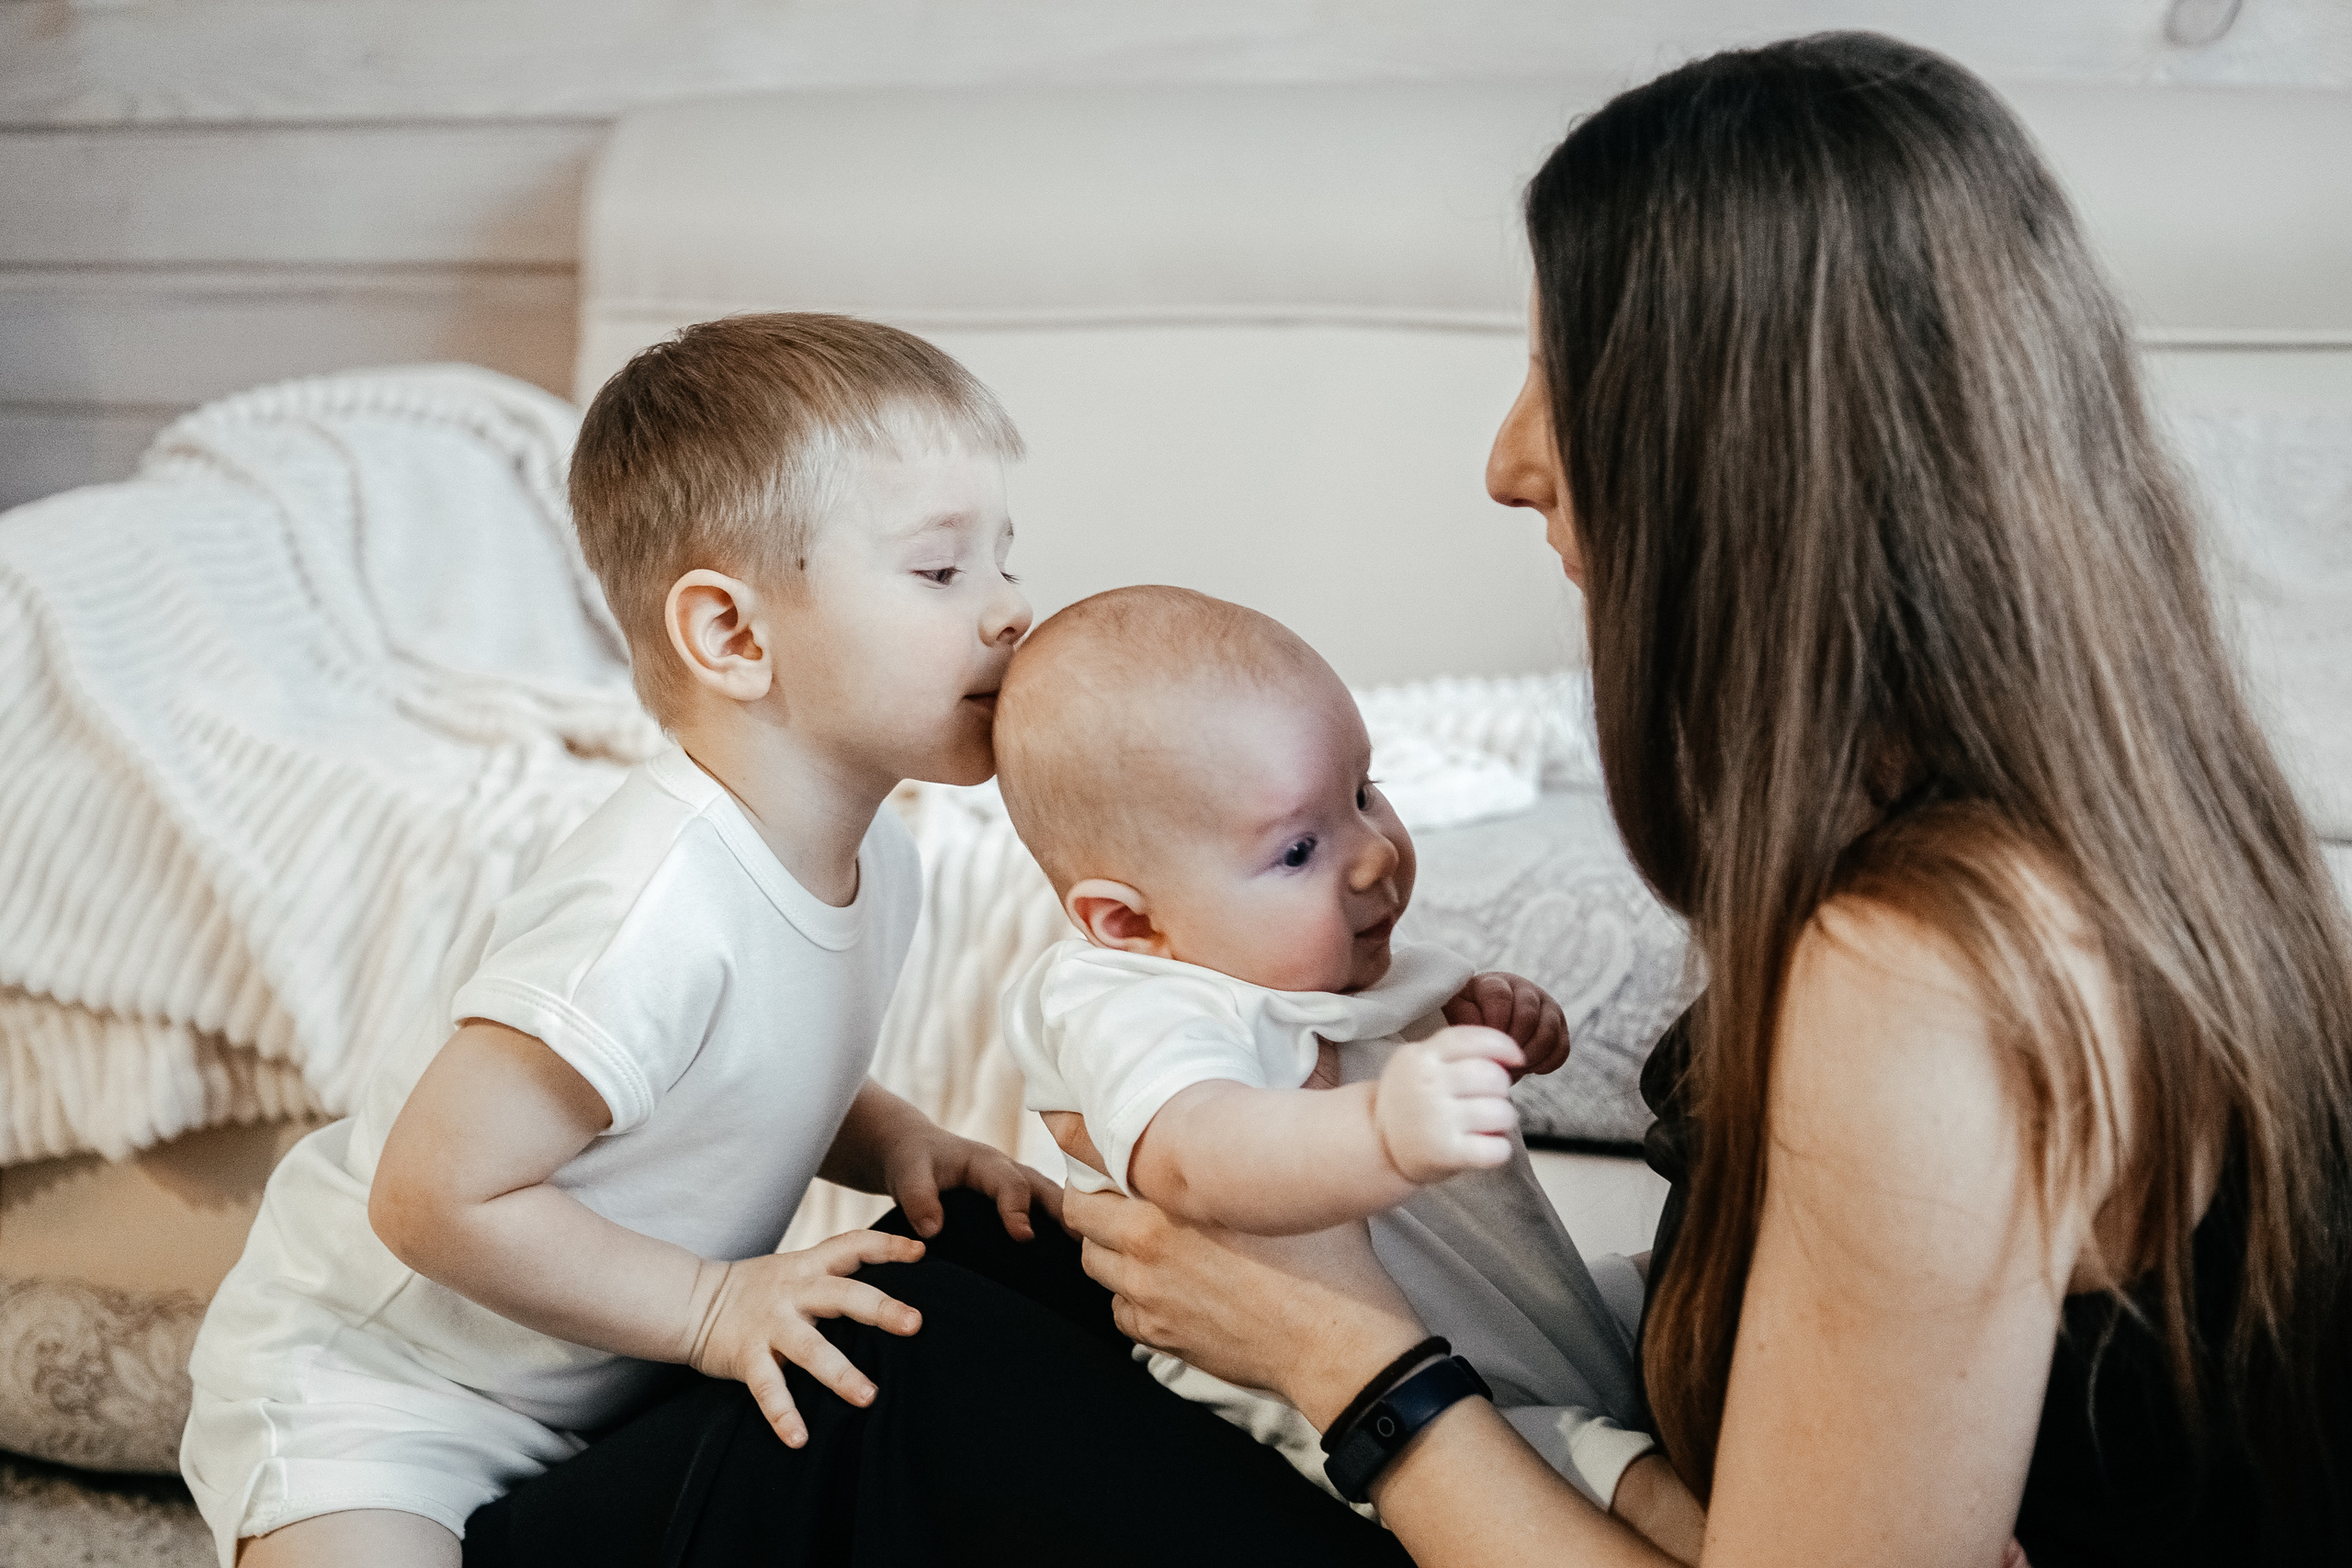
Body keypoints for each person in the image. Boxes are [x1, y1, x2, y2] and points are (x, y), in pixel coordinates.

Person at [458, 31, 2352, 1568]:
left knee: (929, 1386)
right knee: (975, 1256)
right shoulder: (2104, 836)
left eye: (1563, 374)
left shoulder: (1925, 963)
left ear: (1739, 460)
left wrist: (1343, 1353)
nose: (1506, 456)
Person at [179, 313, 1059, 1567]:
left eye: (1006, 559)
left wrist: (903, 1137)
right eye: (941, 571)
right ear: (734, 636)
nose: (1012, 609)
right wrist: (708, 1306)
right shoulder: (653, 898)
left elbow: (747, 1054)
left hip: (604, 1382)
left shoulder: (883, 860)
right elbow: (434, 1193)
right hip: (390, 1391)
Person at [989, 584, 1680, 1523]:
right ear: (1128, 921)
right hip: (1394, 1420)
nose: (1374, 856)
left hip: (1531, 1320)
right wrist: (1381, 1132)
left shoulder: (1314, 968)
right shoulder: (1135, 1001)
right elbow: (1195, 1154)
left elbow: (1406, 1047)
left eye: (1364, 791)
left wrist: (1495, 1025)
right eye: (1299, 848)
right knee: (1647, 1492)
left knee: (1696, 1303)